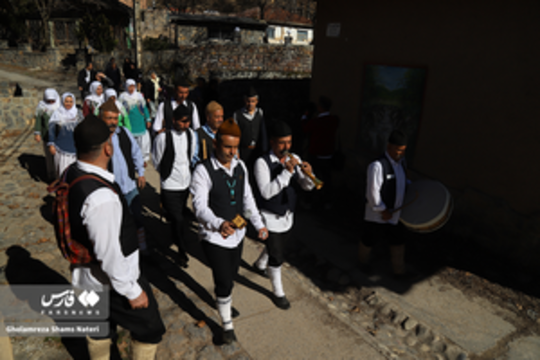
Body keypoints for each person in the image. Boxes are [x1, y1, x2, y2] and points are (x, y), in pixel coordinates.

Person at [67, 115, 165, 359]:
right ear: (108, 147)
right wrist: (132, 292)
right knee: (150, 330)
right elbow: (109, 254)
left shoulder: (72, 172)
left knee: (99, 328)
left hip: (85, 280)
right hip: (110, 283)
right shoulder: (101, 198)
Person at [190, 118, 269, 344]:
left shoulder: (241, 166)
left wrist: (259, 224)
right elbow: (200, 207)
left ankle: (223, 300)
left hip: (238, 234)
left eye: (235, 147)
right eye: (228, 147)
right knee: (223, 280)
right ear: (216, 143)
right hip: (214, 236)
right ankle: (226, 326)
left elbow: (248, 199)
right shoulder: (203, 171)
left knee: (231, 275)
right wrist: (218, 223)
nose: (233, 152)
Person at [252, 121, 316, 309]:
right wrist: (286, 173)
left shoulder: (293, 157)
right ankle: (278, 291)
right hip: (270, 215)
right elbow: (266, 192)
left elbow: (306, 186)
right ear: (272, 142)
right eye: (281, 143)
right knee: (278, 255)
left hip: (288, 214)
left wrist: (308, 175)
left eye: (289, 142)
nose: (286, 147)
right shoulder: (261, 163)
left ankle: (259, 265)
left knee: (276, 245)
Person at [359, 130, 412, 280]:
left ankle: (399, 272)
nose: (401, 153)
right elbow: (372, 193)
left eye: (403, 150)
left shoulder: (402, 163)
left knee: (398, 241)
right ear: (389, 147)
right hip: (377, 214)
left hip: (396, 213)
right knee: (369, 239)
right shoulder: (377, 166)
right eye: (399, 150)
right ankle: (362, 262)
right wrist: (383, 211)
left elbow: (403, 182)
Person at [98, 98, 149, 255]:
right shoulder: (97, 137)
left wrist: (140, 173)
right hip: (110, 188)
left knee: (137, 218)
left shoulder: (124, 132)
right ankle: (120, 250)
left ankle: (142, 248)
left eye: (115, 118)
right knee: (116, 222)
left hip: (129, 185)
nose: (113, 122)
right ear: (101, 118)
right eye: (109, 118)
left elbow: (135, 153)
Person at [152, 104, 199, 268]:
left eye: (188, 121)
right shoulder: (162, 138)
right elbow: (156, 161)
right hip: (169, 185)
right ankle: (182, 252)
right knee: (178, 219)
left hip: (184, 184)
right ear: (174, 120)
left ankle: (176, 236)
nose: (186, 125)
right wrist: (167, 174)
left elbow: (190, 156)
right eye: (183, 121)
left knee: (178, 217)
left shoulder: (191, 135)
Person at [302, 95, 340, 209]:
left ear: (320, 107)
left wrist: (305, 116)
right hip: (328, 155)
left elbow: (305, 128)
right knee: (327, 178)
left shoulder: (316, 121)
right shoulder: (334, 120)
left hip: (316, 154)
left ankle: (311, 201)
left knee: (312, 177)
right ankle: (327, 201)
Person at [47, 93, 83, 178]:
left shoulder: (78, 113)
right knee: (63, 170)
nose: (69, 103)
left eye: (71, 101)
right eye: (66, 101)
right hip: (61, 147)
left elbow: (83, 127)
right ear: (62, 101)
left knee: (76, 170)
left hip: (76, 147)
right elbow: (51, 130)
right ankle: (62, 186)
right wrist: (51, 144)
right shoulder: (57, 114)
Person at [233, 87, 268, 168]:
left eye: (253, 101)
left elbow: (263, 132)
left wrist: (264, 148)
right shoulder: (237, 114)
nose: (250, 104)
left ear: (257, 102)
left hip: (257, 150)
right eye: (248, 101)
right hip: (244, 150)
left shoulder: (260, 113)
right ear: (245, 101)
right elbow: (235, 134)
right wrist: (236, 151)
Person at [120, 79, 152, 162]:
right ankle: (131, 160)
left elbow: (144, 109)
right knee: (130, 143)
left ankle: (141, 159)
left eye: (133, 87)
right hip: (129, 123)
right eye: (130, 87)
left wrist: (148, 119)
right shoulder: (122, 97)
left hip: (140, 123)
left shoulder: (139, 96)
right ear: (126, 87)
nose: (131, 89)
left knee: (142, 143)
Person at [34, 88, 60, 181]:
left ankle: (59, 174)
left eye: (52, 100)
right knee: (49, 156)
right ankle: (51, 175)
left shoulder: (59, 106)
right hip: (47, 135)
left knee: (59, 156)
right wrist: (37, 133)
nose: (51, 102)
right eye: (49, 100)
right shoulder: (41, 107)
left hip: (59, 135)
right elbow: (38, 120)